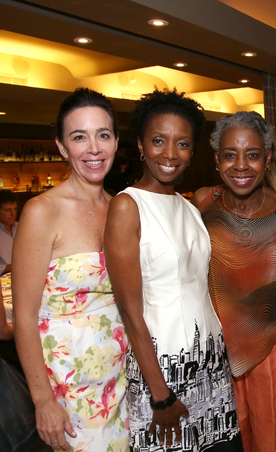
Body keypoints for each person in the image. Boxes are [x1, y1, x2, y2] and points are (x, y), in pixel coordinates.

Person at [104, 88, 243, 451]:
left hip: (209, 358)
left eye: (182, 143)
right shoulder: (126, 206)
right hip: (163, 369)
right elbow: (131, 313)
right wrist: (161, 396)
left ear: (192, 150)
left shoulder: (189, 208)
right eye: (158, 141)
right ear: (140, 144)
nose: (169, 153)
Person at [12, 88, 128, 451]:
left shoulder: (122, 208)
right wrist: (43, 400)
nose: (94, 148)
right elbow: (25, 315)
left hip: (123, 375)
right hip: (69, 383)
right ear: (62, 147)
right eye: (79, 137)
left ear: (115, 141)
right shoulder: (42, 211)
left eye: (103, 135)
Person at [191, 111, 276, 452]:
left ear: (267, 158)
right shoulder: (203, 201)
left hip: (271, 348)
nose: (241, 165)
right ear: (216, 159)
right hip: (216, 348)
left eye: (252, 155)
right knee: (227, 440)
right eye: (230, 155)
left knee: (271, 440)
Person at [0, 189, 18, 275]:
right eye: (8, 210)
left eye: (15, 209)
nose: (13, 214)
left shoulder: (22, 227)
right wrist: (14, 266)